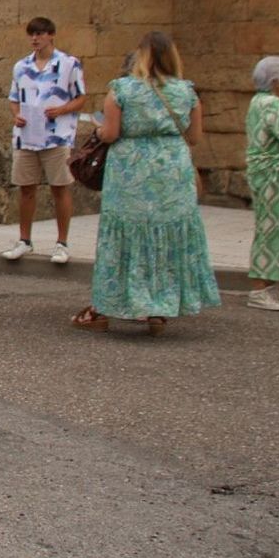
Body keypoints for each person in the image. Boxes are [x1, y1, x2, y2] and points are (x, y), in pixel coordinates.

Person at [73, 32, 219, 333]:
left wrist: (99, 132)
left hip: (131, 173)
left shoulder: (122, 90)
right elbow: (193, 137)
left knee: (125, 237)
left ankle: (107, 306)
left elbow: (111, 134)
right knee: (164, 238)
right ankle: (157, 311)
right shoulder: (186, 92)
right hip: (171, 174)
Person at [4, 17, 86, 265]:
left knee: (59, 187)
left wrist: (61, 110)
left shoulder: (69, 64)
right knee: (26, 188)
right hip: (27, 136)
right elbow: (13, 97)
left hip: (56, 135)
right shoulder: (21, 66)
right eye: (32, 34)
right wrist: (16, 115)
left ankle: (62, 243)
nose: (35, 39)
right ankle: (24, 240)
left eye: (39, 34)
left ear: (51, 35)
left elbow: (81, 97)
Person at [246, 56, 279, 311]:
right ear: (275, 80)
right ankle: (259, 289)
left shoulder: (260, 102)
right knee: (272, 228)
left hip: (272, 175)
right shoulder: (272, 103)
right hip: (273, 177)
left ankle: (277, 285)